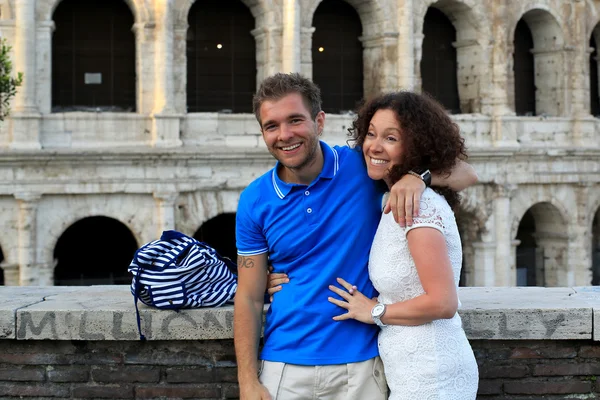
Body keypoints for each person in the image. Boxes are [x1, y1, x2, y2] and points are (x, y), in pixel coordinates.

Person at [234, 73, 478, 400]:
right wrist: (247, 381)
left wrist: (418, 178)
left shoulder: (363, 167)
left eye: (295, 120)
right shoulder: (254, 200)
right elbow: (249, 297)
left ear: (319, 121)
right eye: (272, 126)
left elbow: (467, 173)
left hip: (363, 366)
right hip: (284, 366)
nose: (285, 135)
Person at [325, 91, 479, 399]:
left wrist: (374, 311)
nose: (375, 146)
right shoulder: (394, 196)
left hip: (433, 376)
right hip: (414, 371)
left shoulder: (416, 206)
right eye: (370, 134)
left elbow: (443, 303)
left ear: (416, 145)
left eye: (391, 138)